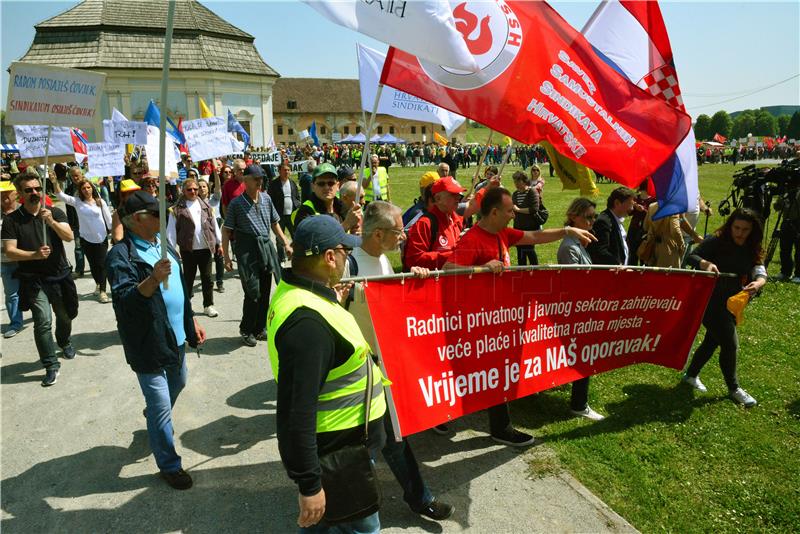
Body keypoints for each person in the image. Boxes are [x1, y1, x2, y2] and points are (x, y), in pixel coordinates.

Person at [444, 187, 596, 445]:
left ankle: (480, 417)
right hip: (481, 320)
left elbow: (534, 236)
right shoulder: (473, 239)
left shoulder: (502, 232)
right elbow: (448, 270)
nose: (514, 215)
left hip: (499, 316)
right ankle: (499, 428)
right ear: (494, 212)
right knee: (493, 371)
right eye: (509, 211)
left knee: (495, 371)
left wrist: (567, 231)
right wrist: (482, 268)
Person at [267, 215, 387, 532]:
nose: (349, 257)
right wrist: (309, 485)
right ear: (329, 257)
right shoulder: (307, 325)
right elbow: (296, 411)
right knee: (364, 529)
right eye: (345, 251)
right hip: (339, 454)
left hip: (343, 448)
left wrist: (333, 299)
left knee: (329, 525)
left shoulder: (301, 292)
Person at [347, 201, 455, 521]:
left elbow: (392, 309)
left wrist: (414, 279)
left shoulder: (382, 261)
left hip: (383, 365)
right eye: (399, 231)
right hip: (355, 373)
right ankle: (354, 508)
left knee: (395, 436)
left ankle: (420, 499)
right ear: (378, 234)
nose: (404, 237)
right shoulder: (348, 266)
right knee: (364, 444)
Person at [106, 191, 206, 489]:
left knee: (179, 383)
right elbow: (125, 301)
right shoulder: (120, 255)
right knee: (161, 402)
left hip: (175, 337)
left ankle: (153, 415)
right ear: (138, 219)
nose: (164, 218)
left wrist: (191, 322)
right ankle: (170, 465)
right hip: (147, 342)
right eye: (156, 213)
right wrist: (151, 279)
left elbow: (180, 292)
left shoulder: (163, 245)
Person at [682, 209, 767, 407]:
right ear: (730, 225)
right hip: (709, 300)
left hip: (733, 301)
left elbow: (758, 266)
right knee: (730, 343)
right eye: (736, 228)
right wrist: (705, 263)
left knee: (713, 340)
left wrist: (760, 281)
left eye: (745, 229)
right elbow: (692, 257)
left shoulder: (752, 244)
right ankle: (734, 388)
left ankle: (691, 375)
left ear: (752, 230)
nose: (740, 233)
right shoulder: (717, 240)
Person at [1, 170, 77, 386]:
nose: (34, 192)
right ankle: (50, 365)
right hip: (34, 281)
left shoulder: (53, 212)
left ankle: (64, 341)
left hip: (60, 276)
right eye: (29, 190)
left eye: (37, 188)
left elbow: (70, 237)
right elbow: (10, 251)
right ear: (20, 193)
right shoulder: (11, 221)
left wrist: (51, 222)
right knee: (43, 322)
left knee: (65, 316)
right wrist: (33, 255)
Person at [222, 164, 292, 347]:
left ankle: (260, 328)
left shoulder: (267, 199)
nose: (260, 181)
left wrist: (285, 242)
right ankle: (246, 329)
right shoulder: (237, 204)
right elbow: (227, 230)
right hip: (247, 252)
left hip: (265, 250)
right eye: (256, 179)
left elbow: (275, 223)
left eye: (261, 178)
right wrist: (227, 257)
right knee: (253, 292)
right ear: (246, 180)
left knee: (265, 291)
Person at [556, 198, 605, 421]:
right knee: (583, 356)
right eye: (588, 217)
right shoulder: (569, 247)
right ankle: (579, 404)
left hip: (584, 308)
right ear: (573, 217)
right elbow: (575, 283)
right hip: (578, 311)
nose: (592, 221)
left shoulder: (577, 243)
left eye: (594, 217)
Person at [51, 173, 113, 303]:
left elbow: (109, 219)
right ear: (80, 190)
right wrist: (54, 181)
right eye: (83, 188)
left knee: (101, 265)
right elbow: (60, 195)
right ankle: (98, 284)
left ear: (92, 188)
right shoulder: (77, 202)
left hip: (101, 238)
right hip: (86, 239)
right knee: (93, 265)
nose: (86, 190)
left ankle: (103, 291)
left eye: (88, 187)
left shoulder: (100, 202)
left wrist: (114, 233)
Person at [167, 178, 222, 317]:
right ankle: (186, 306)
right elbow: (171, 232)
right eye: (189, 189)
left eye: (195, 189)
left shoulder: (207, 207)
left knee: (208, 279)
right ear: (183, 190)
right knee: (188, 280)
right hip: (188, 250)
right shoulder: (176, 210)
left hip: (205, 249)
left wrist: (219, 243)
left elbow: (214, 225)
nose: (193, 192)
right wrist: (172, 251)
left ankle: (208, 305)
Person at [402, 176, 465, 271]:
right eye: (453, 194)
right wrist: (452, 256)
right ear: (438, 198)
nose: (458, 198)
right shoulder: (424, 224)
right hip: (431, 283)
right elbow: (413, 260)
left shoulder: (456, 220)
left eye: (459, 194)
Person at [292, 163, 361, 233]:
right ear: (313, 187)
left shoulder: (343, 207)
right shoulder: (306, 211)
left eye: (331, 183)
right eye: (321, 184)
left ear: (337, 186)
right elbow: (316, 240)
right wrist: (345, 225)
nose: (326, 187)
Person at [639, 202, 703, 268]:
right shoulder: (674, 209)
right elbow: (675, 230)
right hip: (667, 249)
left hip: (652, 247)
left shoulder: (652, 206)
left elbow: (645, 226)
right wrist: (681, 245)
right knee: (668, 276)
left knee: (652, 275)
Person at [587, 187, 636, 265]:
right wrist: (619, 265)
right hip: (611, 273)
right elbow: (600, 251)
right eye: (629, 204)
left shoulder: (616, 219)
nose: (632, 208)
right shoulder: (603, 222)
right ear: (617, 203)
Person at [1, 179, 24, 338]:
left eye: (6, 194)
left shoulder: (24, 212)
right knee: (11, 294)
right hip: (5, 261)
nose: (3, 198)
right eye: (0, 195)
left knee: (35, 291)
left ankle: (42, 317)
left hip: (27, 259)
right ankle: (16, 323)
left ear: (15, 194)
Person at [511, 171, 547, 266]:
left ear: (525, 181)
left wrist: (518, 210)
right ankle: (521, 272)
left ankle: (534, 271)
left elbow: (534, 209)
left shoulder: (532, 191)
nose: (517, 184)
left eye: (519, 182)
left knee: (529, 250)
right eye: (515, 182)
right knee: (520, 251)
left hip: (530, 227)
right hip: (518, 227)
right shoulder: (515, 194)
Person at [266, 159, 301, 257]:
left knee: (295, 236)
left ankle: (294, 254)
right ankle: (281, 257)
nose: (287, 172)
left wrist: (297, 205)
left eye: (288, 170)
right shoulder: (274, 184)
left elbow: (297, 196)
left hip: (291, 215)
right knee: (279, 238)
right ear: (279, 171)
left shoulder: (292, 183)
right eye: (284, 170)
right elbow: (270, 200)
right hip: (279, 215)